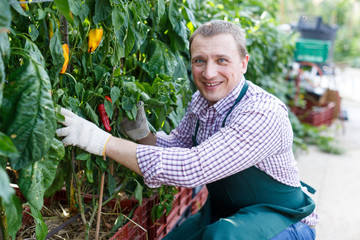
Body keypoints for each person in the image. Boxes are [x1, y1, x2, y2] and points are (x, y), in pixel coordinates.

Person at [56, 20, 319, 239]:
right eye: (199, 61)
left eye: (222, 60)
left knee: (222, 237)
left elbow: (192, 167)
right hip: (227, 212)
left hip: (285, 221)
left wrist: (100, 141)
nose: (209, 72)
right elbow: (176, 148)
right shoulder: (201, 102)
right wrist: (141, 133)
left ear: (243, 63)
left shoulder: (262, 113)